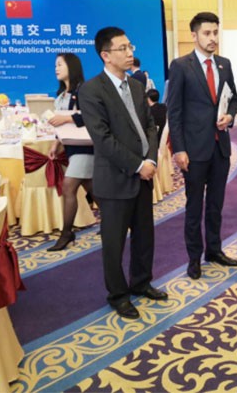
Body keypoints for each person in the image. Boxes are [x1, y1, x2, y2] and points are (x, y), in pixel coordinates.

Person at [79, 27, 167, 320]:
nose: (130, 53)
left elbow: (150, 126)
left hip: (144, 175)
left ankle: (141, 282)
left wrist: (150, 159)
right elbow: (103, 139)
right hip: (116, 178)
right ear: (106, 55)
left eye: (131, 47)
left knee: (144, 236)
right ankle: (118, 295)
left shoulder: (137, 86)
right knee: (114, 243)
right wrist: (138, 165)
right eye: (123, 48)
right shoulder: (92, 90)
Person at [167, 12, 237, 279]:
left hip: (220, 148)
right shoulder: (180, 66)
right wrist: (179, 149)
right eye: (207, 33)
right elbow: (174, 111)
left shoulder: (224, 64)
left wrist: (230, 116)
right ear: (194, 35)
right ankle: (194, 258)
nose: (213, 38)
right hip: (194, 150)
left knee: (216, 205)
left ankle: (214, 250)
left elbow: (233, 98)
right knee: (194, 207)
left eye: (216, 33)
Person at [47, 53, 95, 251]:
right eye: (55, 65)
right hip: (70, 148)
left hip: (86, 148)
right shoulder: (61, 95)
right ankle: (117, 221)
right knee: (93, 189)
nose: (56, 68)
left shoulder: (83, 90)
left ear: (71, 66)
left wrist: (67, 119)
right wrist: (55, 144)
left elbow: (93, 116)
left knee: (68, 187)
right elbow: (60, 127)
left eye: (60, 64)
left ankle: (67, 233)